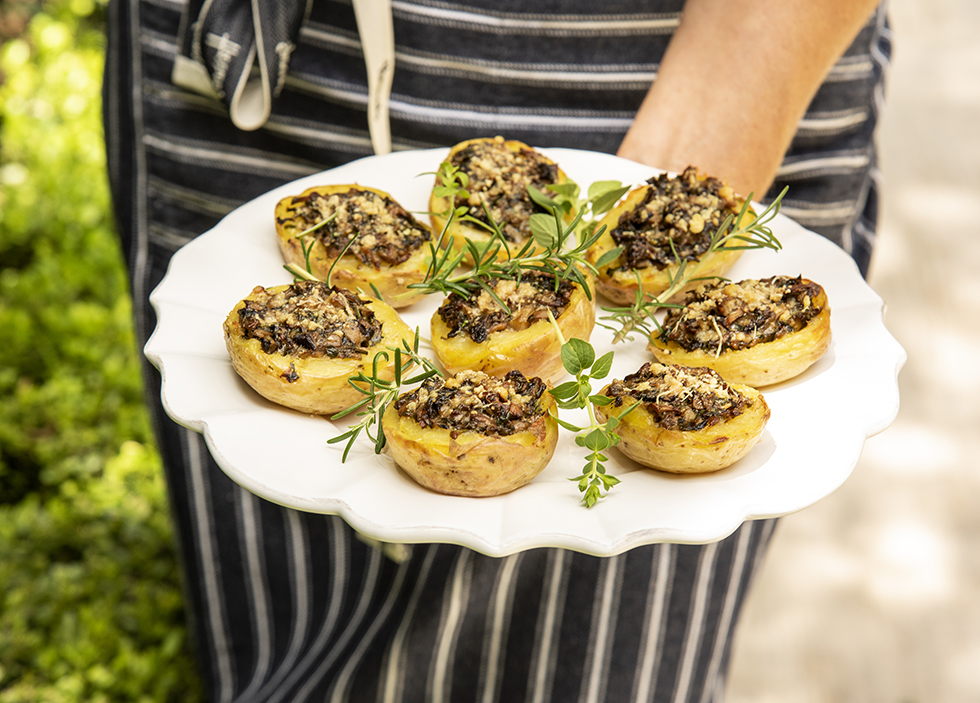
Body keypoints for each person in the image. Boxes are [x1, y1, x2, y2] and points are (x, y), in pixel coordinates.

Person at [103, 1, 889, 700]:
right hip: (251, 70)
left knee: (583, 653)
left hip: (687, 69)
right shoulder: (380, 309)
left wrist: (681, 183)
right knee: (277, 613)